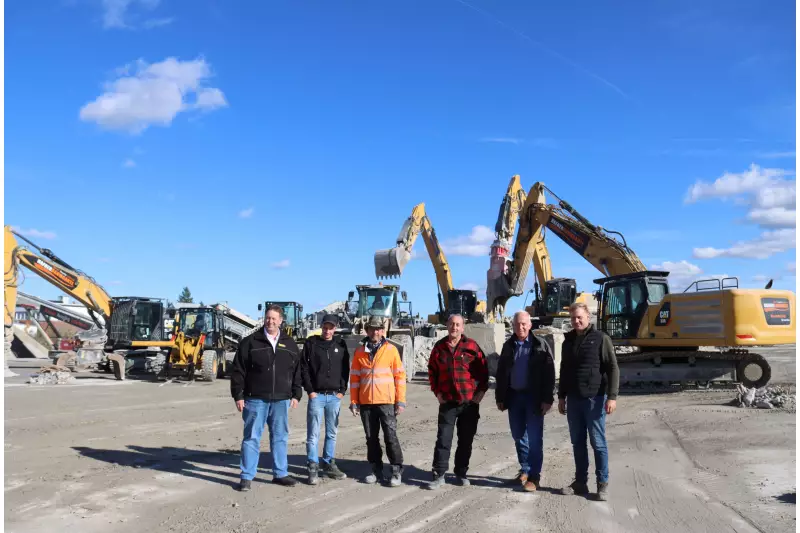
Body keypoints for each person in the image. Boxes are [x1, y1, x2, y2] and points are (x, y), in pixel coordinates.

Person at [230, 304, 303, 491]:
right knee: (251, 438)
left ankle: (280, 473)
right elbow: (238, 371)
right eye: (268, 318)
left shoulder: (290, 343)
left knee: (280, 437)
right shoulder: (250, 342)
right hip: (255, 399)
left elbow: (296, 371)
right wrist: (238, 395)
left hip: (281, 399)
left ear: (281, 321)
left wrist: (296, 393)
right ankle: (246, 477)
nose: (270, 321)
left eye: (274, 318)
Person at [557, 302, 619, 501]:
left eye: (579, 317)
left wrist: (612, 397)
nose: (576, 321)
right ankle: (580, 482)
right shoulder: (568, 341)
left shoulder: (601, 339)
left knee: (598, 443)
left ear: (588, 317)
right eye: (573, 318)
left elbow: (613, 368)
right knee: (577, 443)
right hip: (574, 400)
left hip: (595, 399)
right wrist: (561, 396)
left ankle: (602, 484)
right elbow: (564, 370)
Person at [425, 314, 489, 489]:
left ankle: (461, 473)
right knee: (443, 440)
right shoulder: (439, 348)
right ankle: (439, 474)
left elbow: (484, 372)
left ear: (463, 327)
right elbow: (432, 372)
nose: (454, 327)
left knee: (465, 440)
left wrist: (479, 395)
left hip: (468, 404)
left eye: (458, 325)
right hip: (447, 403)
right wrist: (437, 393)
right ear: (447, 326)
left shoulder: (471, 347)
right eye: (452, 324)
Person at [495, 310, 556, 492]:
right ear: (512, 326)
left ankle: (534, 477)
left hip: (534, 397)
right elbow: (501, 373)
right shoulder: (508, 346)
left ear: (530, 325)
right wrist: (500, 397)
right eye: (517, 324)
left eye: (524, 324)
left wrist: (547, 398)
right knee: (518, 435)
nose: (520, 327)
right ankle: (525, 469)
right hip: (514, 397)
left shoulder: (540, 345)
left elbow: (549, 374)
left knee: (535, 438)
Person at [349, 315, 406, 487]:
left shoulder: (391, 350)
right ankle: (375, 469)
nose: (376, 332)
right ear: (367, 330)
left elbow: (400, 376)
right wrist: (354, 401)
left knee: (390, 437)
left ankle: (396, 470)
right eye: (373, 328)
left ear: (383, 331)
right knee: (371, 438)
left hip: (386, 402)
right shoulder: (359, 352)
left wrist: (400, 400)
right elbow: (354, 379)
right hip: (366, 402)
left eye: (379, 329)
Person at [300, 313, 350, 485]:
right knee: (313, 435)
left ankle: (328, 464)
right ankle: (312, 466)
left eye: (331, 327)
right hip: (317, 396)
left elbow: (346, 369)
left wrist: (342, 391)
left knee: (332, 433)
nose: (327, 330)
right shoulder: (311, 343)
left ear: (335, 328)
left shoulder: (341, 345)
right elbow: (304, 368)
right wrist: (310, 391)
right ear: (322, 326)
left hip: (334, 397)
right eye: (325, 327)